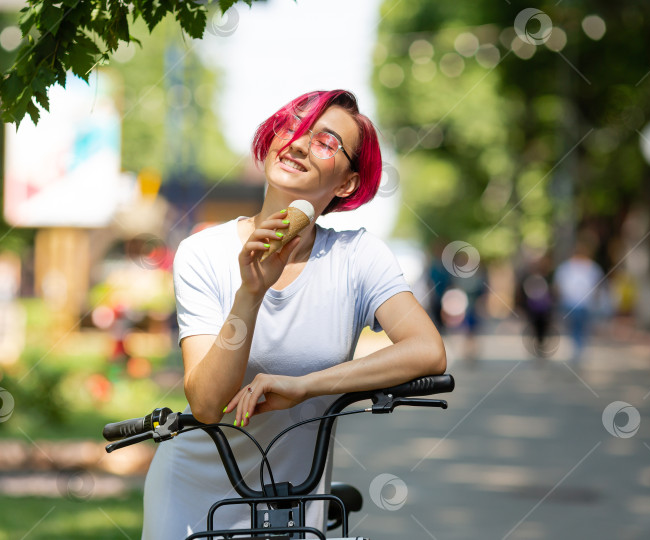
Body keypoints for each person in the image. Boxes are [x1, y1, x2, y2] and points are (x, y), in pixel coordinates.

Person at [141, 90, 447, 539]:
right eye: (294, 126)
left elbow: (427, 351)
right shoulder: (203, 252)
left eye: (325, 142)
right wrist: (251, 292)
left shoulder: (357, 256)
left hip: (295, 500)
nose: (300, 142)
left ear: (345, 183)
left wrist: (305, 387)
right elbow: (206, 404)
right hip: (192, 501)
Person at [553, 236, 604, 365]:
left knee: (576, 327)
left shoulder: (566, 267)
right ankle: (579, 348)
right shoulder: (592, 267)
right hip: (578, 304)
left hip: (576, 303)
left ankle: (577, 349)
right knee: (580, 328)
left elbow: (558, 286)